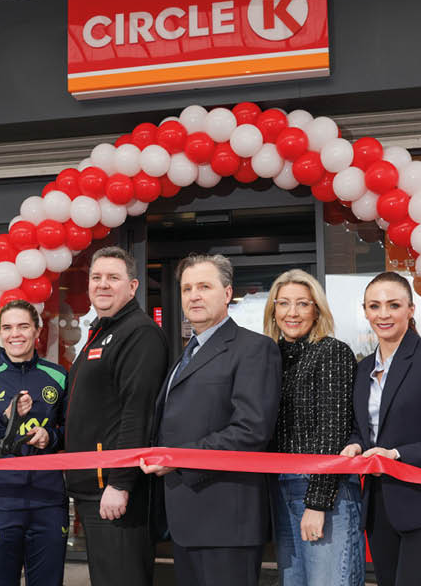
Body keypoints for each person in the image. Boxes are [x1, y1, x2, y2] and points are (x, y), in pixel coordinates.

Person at [140, 254, 280, 586]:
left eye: (204, 286)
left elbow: (251, 430)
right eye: (187, 288)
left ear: (227, 293)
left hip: (226, 520)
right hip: (187, 517)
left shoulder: (253, 348)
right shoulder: (187, 353)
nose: (193, 296)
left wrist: (179, 459)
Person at [340, 272, 421, 586]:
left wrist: (396, 455)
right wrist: (356, 444)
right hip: (380, 506)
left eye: (393, 305)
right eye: (374, 306)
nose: (383, 314)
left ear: (411, 310)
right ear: (365, 310)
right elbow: (367, 430)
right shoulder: (362, 369)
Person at [65, 246, 169, 586]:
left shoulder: (139, 333)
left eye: (113, 277)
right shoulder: (102, 331)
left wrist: (120, 484)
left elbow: (136, 413)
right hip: (92, 489)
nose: (103, 284)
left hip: (112, 491)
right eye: (96, 277)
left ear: (133, 286)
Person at [262, 269, 364, 586]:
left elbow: (332, 431)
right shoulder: (270, 357)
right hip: (281, 485)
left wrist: (317, 502)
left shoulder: (331, 351)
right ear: (273, 310)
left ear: (316, 309)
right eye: (284, 304)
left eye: (303, 304)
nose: (292, 313)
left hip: (324, 490)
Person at [0, 300, 68, 586]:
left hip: (48, 501)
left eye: (23, 326)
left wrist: (51, 437)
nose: (14, 334)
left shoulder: (58, 376)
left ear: (37, 331)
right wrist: (4, 417)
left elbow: (71, 432)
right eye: (7, 327)